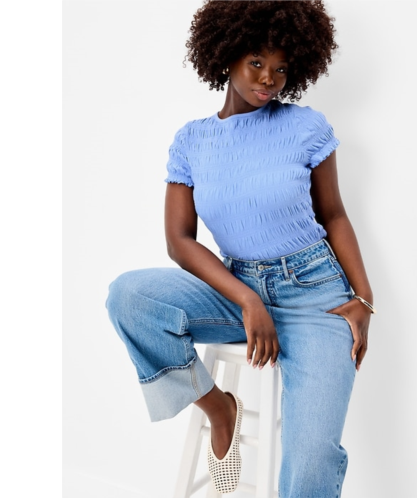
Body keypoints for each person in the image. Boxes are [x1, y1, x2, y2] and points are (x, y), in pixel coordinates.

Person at [106, 0, 376, 496]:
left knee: (313, 458)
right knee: (129, 296)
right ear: (225, 55)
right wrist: (249, 299)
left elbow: (334, 215)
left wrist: (364, 298)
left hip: (315, 295)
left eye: (281, 68)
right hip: (235, 288)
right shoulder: (192, 141)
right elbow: (179, 241)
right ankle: (220, 410)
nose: (269, 79)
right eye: (256, 62)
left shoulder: (306, 127)